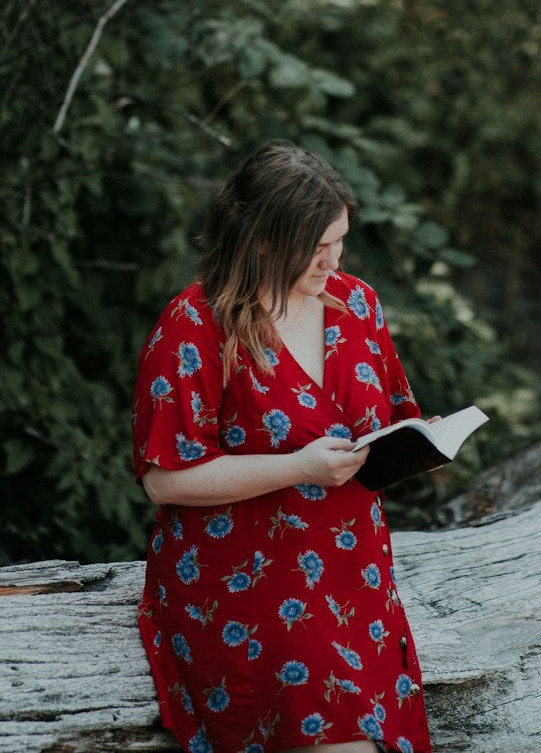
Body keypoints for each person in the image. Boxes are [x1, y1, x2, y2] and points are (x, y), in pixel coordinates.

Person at [131, 141, 433, 753]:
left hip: (357, 574)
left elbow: (397, 419)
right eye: (316, 248)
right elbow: (164, 479)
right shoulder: (195, 324)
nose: (334, 259)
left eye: (340, 240)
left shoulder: (358, 304)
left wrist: (414, 450)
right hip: (247, 576)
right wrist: (298, 467)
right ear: (264, 240)